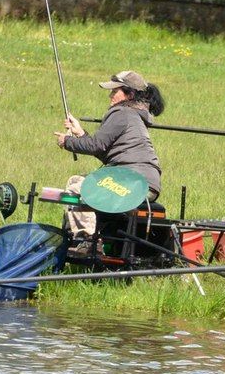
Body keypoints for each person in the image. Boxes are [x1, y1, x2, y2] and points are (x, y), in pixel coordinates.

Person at [54, 70, 165, 248]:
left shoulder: (122, 113)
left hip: (132, 183)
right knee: (78, 180)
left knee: (77, 189)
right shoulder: (133, 114)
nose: (110, 95)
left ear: (129, 94)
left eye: (115, 91)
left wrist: (67, 141)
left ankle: (87, 241)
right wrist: (81, 134)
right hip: (141, 183)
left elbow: (96, 145)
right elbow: (106, 153)